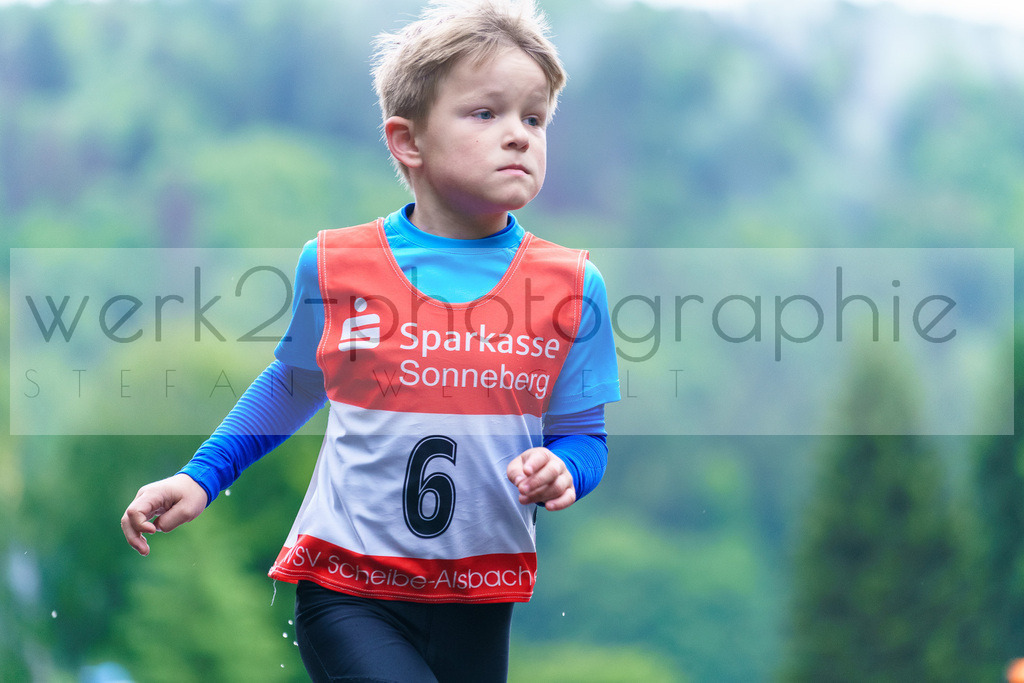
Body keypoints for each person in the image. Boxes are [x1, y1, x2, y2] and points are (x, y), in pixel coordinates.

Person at [120, 0, 620, 680]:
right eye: (486, 113)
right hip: (348, 587)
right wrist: (201, 476)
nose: (518, 136)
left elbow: (584, 437)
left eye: (533, 118)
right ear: (407, 141)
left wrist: (565, 469)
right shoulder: (335, 266)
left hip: (481, 599)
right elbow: (294, 384)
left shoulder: (572, 285)